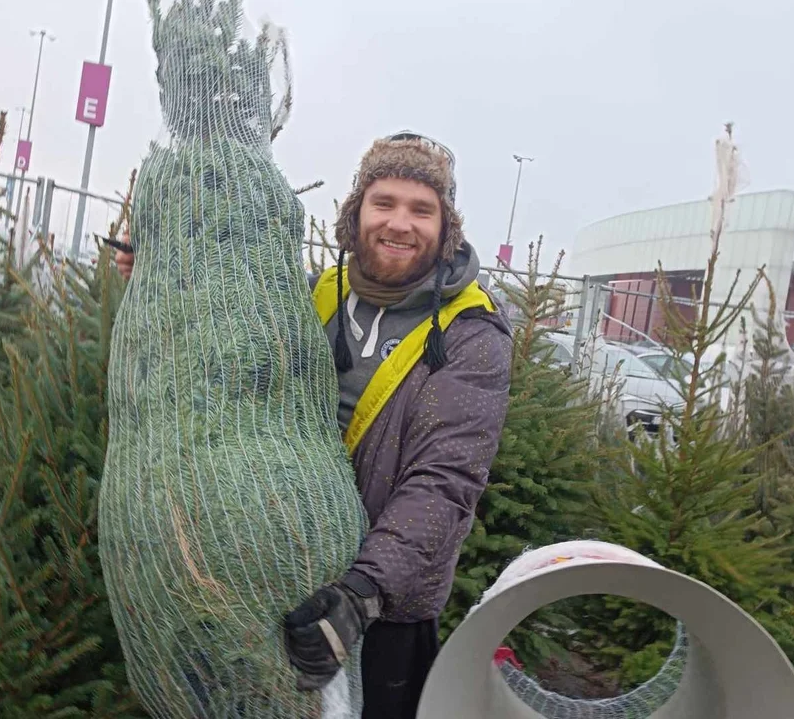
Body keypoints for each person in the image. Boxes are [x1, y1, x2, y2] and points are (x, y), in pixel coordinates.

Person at [114, 131, 513, 719]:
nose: (399, 224)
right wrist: (155, 267)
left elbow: (444, 484)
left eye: (421, 210)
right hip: (274, 583)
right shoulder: (315, 295)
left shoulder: (470, 334)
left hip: (383, 612)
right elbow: (222, 332)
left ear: (445, 227)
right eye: (384, 203)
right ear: (356, 215)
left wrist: (358, 597)